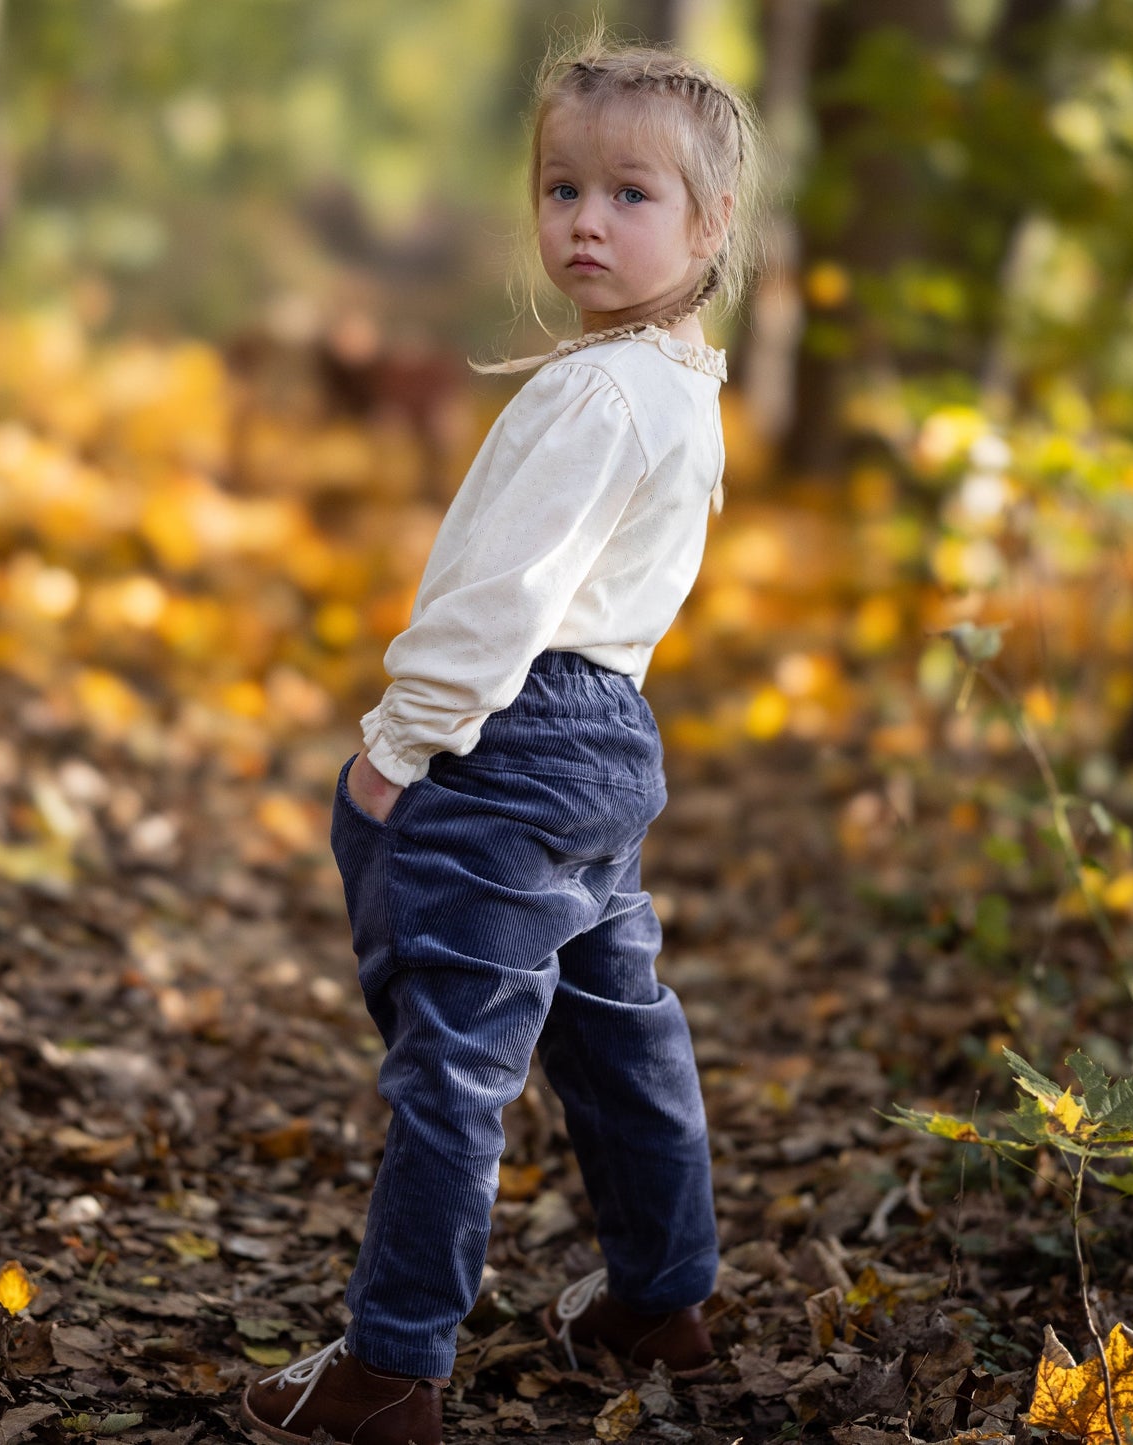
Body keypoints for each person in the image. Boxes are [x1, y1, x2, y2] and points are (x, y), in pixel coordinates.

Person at [240, 26, 770, 1445]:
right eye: (559, 189)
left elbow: (503, 597)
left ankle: (390, 1367)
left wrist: (397, 750)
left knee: (453, 1060)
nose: (584, 219)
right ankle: (662, 1293)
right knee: (616, 1031)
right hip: (606, 744)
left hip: (511, 730)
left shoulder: (594, 392)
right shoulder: (675, 384)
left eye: (629, 194)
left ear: (710, 222)